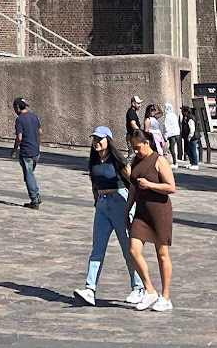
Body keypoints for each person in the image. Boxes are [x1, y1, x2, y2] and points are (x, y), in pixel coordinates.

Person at [73, 126, 146, 308]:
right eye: (95, 139)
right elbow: (94, 183)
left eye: (100, 139)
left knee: (128, 249)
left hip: (119, 203)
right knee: (97, 249)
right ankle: (90, 289)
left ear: (108, 141)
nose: (97, 142)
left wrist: (132, 207)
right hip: (102, 206)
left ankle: (138, 287)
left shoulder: (118, 162)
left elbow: (133, 183)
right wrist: (96, 201)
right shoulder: (94, 161)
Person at [122, 132, 177, 313]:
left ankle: (166, 296)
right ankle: (149, 290)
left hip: (159, 211)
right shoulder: (136, 161)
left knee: (162, 254)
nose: (136, 151)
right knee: (133, 250)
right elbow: (133, 188)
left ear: (147, 143)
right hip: (141, 212)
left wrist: (150, 185)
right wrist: (127, 209)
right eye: (133, 148)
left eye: (138, 147)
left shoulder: (158, 160)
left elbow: (171, 187)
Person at [13, 97, 43, 207]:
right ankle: (37, 196)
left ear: (17, 107)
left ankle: (34, 200)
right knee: (30, 174)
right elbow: (40, 132)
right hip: (36, 151)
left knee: (28, 175)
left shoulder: (20, 120)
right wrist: (37, 143)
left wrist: (14, 150)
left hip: (26, 152)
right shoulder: (34, 116)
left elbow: (19, 138)